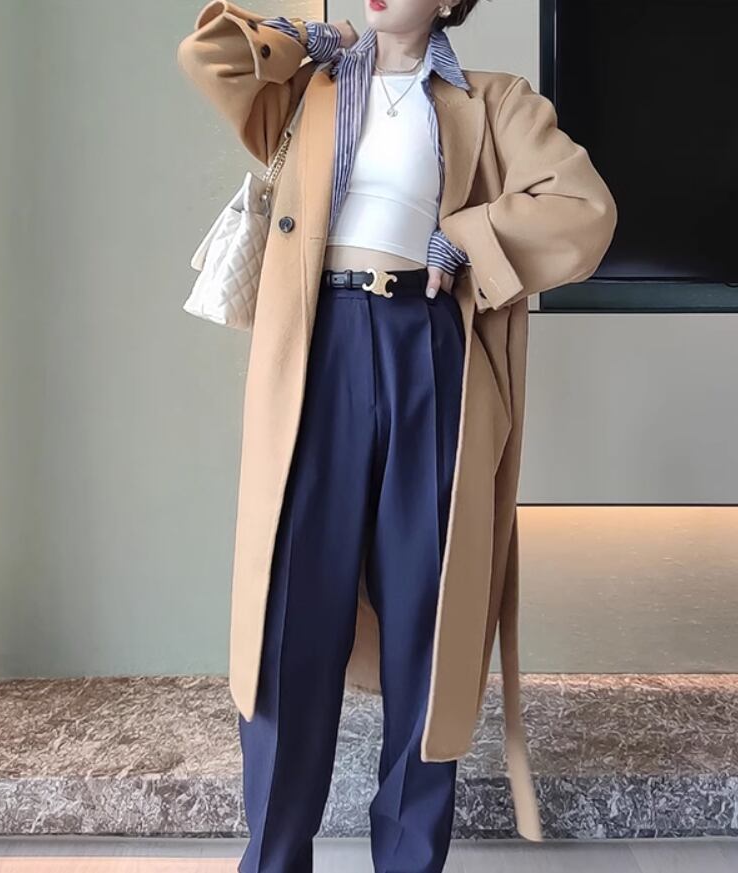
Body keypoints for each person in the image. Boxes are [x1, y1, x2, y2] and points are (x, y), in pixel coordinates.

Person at [177, 2, 618, 871]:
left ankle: (411, 860)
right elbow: (211, 55)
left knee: (430, 612)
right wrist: (309, 38)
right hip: (318, 345)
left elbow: (583, 208)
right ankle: (273, 858)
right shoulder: (308, 85)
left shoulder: (493, 100)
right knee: (288, 616)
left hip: (428, 343)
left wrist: (469, 236)